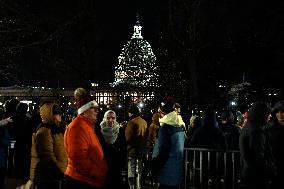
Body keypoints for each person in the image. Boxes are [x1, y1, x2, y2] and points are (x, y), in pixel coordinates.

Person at [63, 87, 108, 189]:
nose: (97, 111)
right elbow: (79, 158)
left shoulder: (86, 126)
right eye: (94, 108)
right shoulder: (77, 127)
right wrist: (98, 172)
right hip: (81, 182)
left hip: (86, 180)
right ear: (85, 110)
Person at [28, 101, 67, 189]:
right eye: (57, 113)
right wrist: (58, 173)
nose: (60, 115)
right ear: (50, 115)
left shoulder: (57, 130)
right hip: (47, 177)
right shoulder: (44, 131)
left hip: (55, 176)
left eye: (60, 113)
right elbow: (47, 156)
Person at [239, 101, 276, 189]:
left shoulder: (248, 126)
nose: (270, 116)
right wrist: (271, 171)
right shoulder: (256, 130)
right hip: (257, 177)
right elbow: (259, 157)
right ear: (261, 114)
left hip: (248, 173)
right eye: (268, 113)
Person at [150, 96, 185, 189]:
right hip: (175, 173)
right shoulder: (179, 125)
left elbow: (163, 152)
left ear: (161, 112)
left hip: (166, 173)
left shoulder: (165, 128)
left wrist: (153, 167)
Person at [99, 110, 128, 189]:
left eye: (113, 118)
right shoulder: (100, 131)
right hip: (103, 163)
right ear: (105, 118)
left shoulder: (120, 130)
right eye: (108, 118)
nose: (111, 120)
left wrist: (122, 163)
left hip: (116, 164)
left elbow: (123, 148)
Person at [125, 103, 148, 189]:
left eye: (129, 112)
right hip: (141, 151)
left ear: (132, 112)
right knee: (139, 173)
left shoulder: (132, 122)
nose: (128, 114)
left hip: (132, 151)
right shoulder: (144, 122)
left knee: (132, 174)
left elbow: (127, 138)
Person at [267, 100, 284, 188]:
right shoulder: (270, 129)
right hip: (274, 167)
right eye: (278, 112)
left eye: (283, 112)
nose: (280, 114)